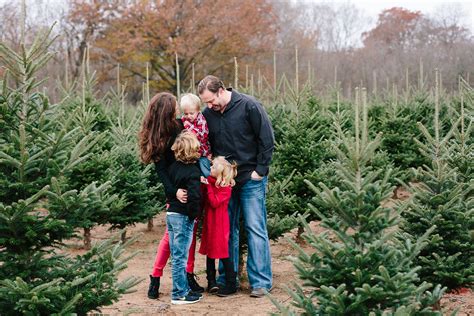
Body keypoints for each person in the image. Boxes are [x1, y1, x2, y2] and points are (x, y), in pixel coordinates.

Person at [198, 75, 275, 298]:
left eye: (211, 101)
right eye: (206, 103)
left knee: (255, 228)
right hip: (224, 182)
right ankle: (227, 280)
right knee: (226, 231)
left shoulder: (249, 106)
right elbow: (205, 146)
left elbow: (266, 139)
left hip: (250, 178)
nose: (209, 106)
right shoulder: (208, 115)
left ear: (221, 91)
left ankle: (260, 282)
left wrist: (260, 171)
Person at [138, 92, 204, 300]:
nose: (177, 110)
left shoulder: (178, 126)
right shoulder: (156, 135)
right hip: (175, 189)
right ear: (166, 110)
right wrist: (173, 191)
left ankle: (186, 275)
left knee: (182, 235)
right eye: (175, 107)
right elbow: (161, 170)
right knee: (173, 236)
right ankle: (157, 277)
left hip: (186, 182)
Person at [166, 130, 203, 304]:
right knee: (180, 256)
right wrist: (194, 215)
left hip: (171, 214)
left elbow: (172, 187)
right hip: (183, 217)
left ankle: (183, 289)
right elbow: (194, 197)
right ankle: (179, 294)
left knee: (176, 254)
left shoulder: (173, 168)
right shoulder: (193, 172)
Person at [199, 156, 238, 297]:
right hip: (210, 223)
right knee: (210, 252)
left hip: (220, 226)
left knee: (223, 253)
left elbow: (214, 202)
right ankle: (211, 282)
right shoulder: (210, 182)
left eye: (213, 167)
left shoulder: (226, 188)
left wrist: (207, 186)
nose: (210, 168)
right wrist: (205, 184)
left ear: (220, 173)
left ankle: (231, 283)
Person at [179, 93, 212, 177]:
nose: (188, 116)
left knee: (206, 172)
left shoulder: (201, 120)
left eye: (191, 113)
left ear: (198, 110)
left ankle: (210, 184)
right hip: (191, 154)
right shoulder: (184, 119)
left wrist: (188, 126)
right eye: (186, 113)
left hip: (202, 153)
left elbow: (201, 135)